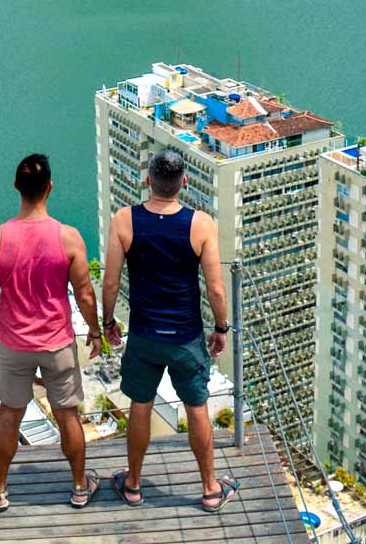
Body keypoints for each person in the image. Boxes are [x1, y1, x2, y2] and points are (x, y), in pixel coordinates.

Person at [102, 147, 239, 513]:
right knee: (197, 406)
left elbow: (111, 281)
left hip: (145, 335)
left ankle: (132, 485)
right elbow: (215, 289)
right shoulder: (201, 224)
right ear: (184, 182)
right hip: (186, 336)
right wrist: (221, 328)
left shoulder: (124, 221)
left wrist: (108, 321)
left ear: (148, 180)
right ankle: (210, 490)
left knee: (140, 405)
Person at [0, 153, 102, 512]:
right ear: (50, 188)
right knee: (67, 416)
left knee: (9, 416)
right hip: (57, 341)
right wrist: (94, 330)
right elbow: (85, 292)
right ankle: (78, 487)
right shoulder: (69, 237)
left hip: (15, 344)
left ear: (16, 187)